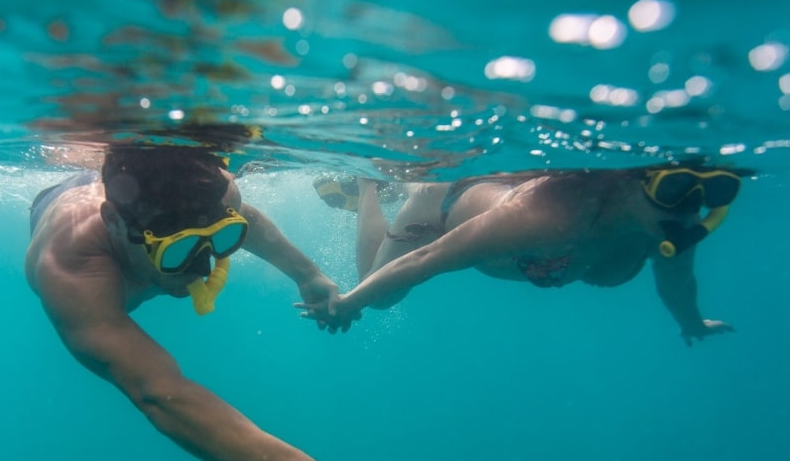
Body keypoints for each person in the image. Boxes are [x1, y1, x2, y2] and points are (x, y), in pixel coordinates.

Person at [25, 144, 427, 461]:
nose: (204, 269)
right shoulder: (70, 267)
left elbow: (243, 216)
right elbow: (158, 393)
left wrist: (307, 274)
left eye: (222, 239)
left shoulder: (218, 195)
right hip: (68, 201)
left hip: (135, 198)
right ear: (113, 224)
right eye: (178, 251)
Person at [305, 163, 742, 344]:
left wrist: (692, 324)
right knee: (379, 299)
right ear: (631, 180)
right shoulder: (548, 214)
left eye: (712, 194)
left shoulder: (667, 229)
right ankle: (369, 181)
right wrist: (351, 302)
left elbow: (677, 283)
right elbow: (425, 261)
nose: (689, 209)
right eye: (674, 190)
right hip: (439, 206)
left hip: (495, 229)